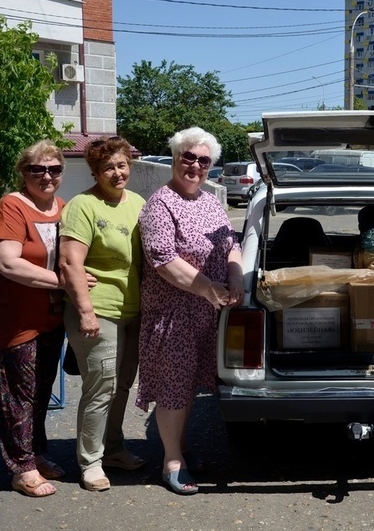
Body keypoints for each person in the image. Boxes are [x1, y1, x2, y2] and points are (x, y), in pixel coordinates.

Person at [136, 127, 243, 495]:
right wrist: (208, 288)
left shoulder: (211, 202)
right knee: (173, 390)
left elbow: (231, 243)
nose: (195, 166)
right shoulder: (160, 204)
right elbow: (163, 259)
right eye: (188, 157)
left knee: (191, 389)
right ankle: (171, 463)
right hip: (173, 315)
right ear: (175, 157)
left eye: (203, 160)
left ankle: (179, 450)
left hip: (207, 314)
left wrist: (235, 275)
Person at [0, 141, 72, 497]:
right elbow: (7, 262)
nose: (47, 176)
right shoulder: (11, 207)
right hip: (19, 319)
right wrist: (64, 281)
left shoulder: (61, 207)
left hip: (52, 317)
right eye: (38, 169)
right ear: (24, 172)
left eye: (54, 169)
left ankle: (36, 454)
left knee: (40, 391)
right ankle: (21, 468)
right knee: (19, 394)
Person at [59, 135, 146, 492]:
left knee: (121, 385)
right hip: (98, 313)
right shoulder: (83, 206)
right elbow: (69, 263)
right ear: (95, 171)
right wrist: (86, 313)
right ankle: (90, 462)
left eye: (122, 164)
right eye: (108, 166)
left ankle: (112, 449)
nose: (117, 172)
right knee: (100, 388)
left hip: (133, 311)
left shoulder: (139, 202)